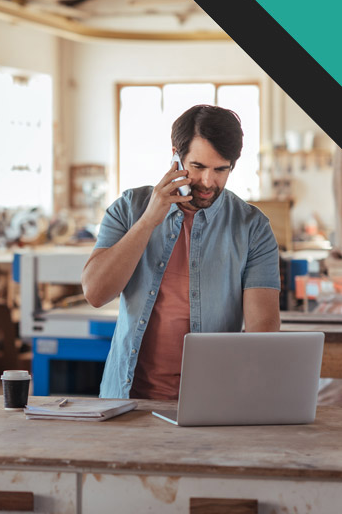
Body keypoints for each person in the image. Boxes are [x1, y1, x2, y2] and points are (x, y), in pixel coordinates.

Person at [82, 105, 280, 400]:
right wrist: (149, 220)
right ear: (176, 154)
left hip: (212, 402)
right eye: (198, 167)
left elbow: (262, 330)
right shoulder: (128, 208)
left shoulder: (253, 227)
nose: (208, 182)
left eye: (221, 169)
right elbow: (96, 293)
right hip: (126, 401)